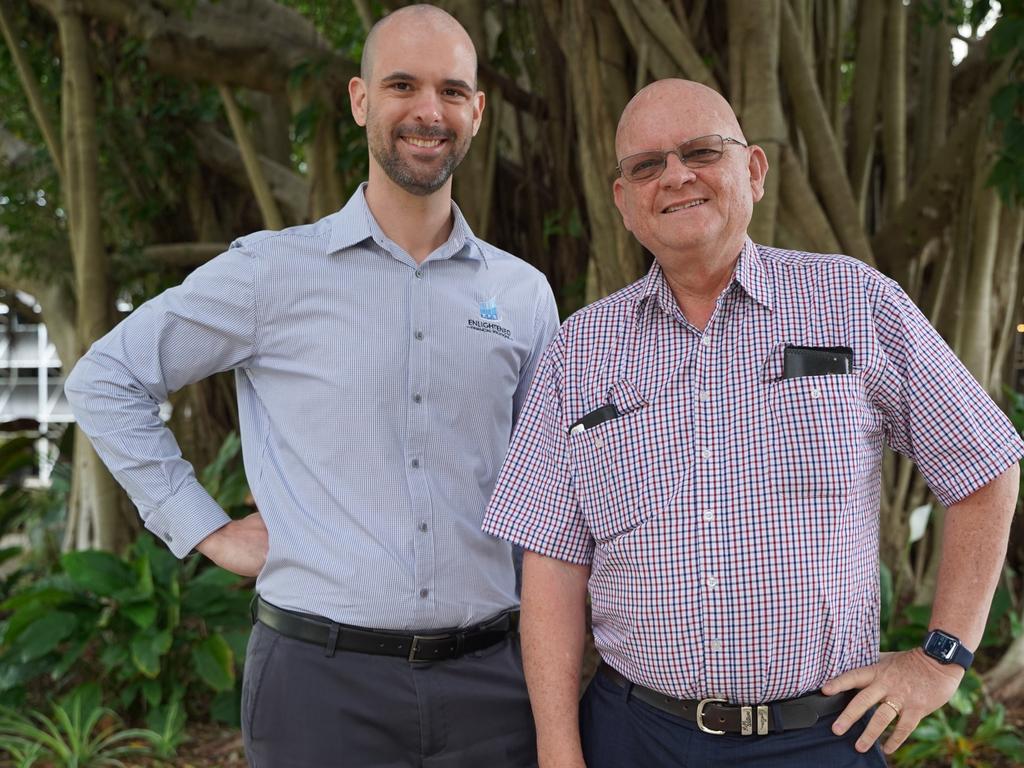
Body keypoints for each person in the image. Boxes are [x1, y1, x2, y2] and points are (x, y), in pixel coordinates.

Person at [65, 5, 558, 766]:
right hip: (319, 689)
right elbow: (106, 377)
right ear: (360, 100)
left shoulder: (524, 295)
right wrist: (205, 527)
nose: (428, 111)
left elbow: (548, 486)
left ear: (477, 112)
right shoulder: (270, 272)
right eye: (402, 85)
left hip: (493, 685)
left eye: (451, 91)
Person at [482, 78, 1023, 768]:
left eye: (701, 151)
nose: (676, 176)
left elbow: (983, 466)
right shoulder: (579, 350)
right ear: (623, 201)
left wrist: (941, 660)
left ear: (755, 170)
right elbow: (553, 561)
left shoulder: (852, 302)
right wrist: (559, 749)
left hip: (821, 738)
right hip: (634, 737)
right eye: (647, 165)